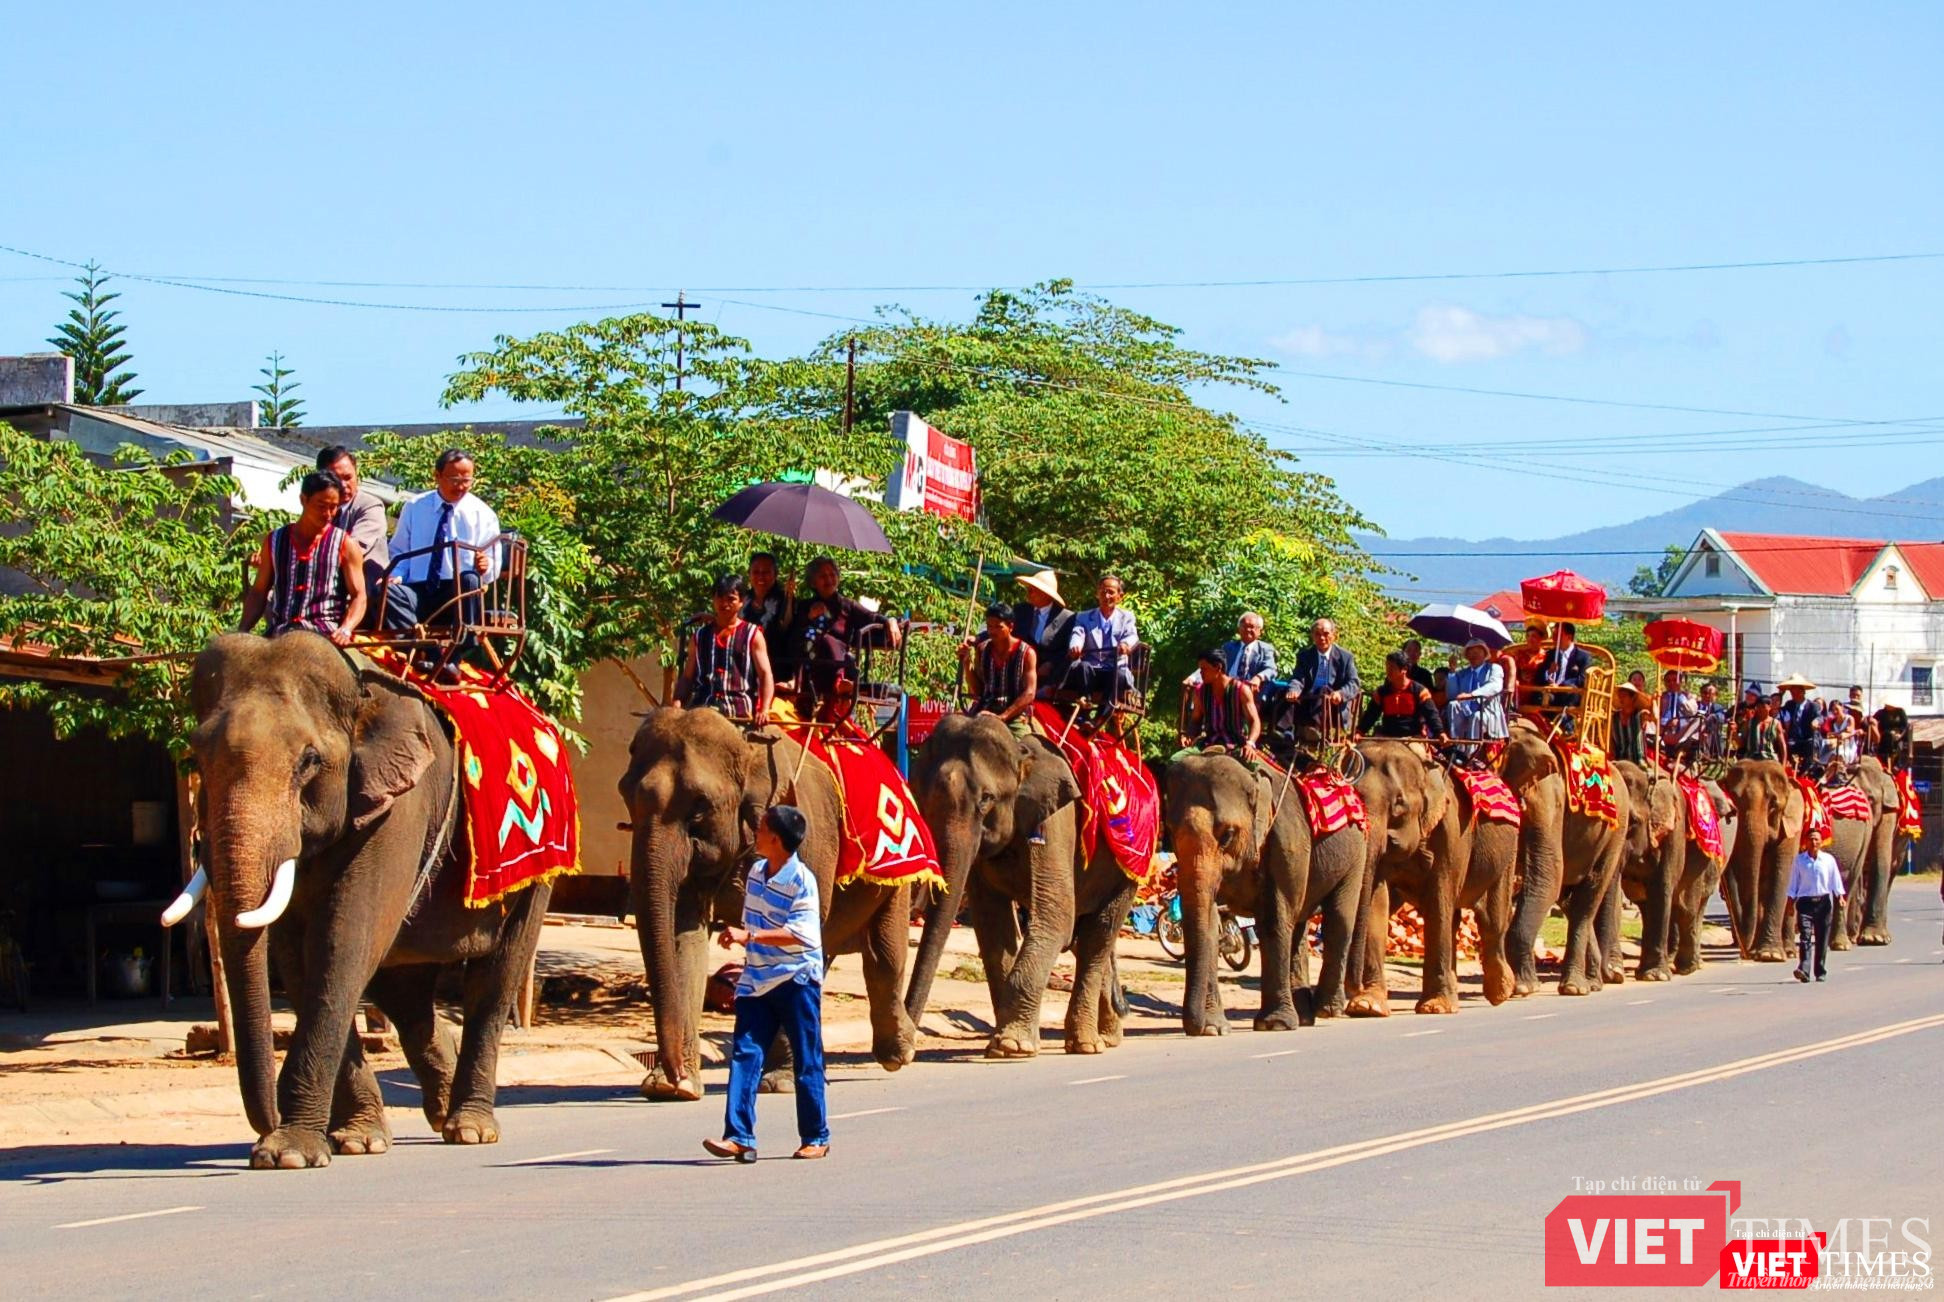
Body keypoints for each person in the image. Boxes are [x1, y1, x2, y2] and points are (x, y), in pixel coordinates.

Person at [704, 805, 829, 1163]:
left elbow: (799, 935)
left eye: (760, 828)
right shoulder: (757, 872)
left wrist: (748, 937)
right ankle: (739, 1136)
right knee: (745, 1053)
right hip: (757, 982)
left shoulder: (802, 880)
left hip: (796, 979)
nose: (754, 833)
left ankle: (816, 1136)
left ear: (775, 839)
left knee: (807, 1060)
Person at [387, 449, 502, 647]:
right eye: (455, 479)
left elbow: (493, 562)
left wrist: (486, 566)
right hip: (419, 589)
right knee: (385, 591)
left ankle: (455, 655)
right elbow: (399, 551)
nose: (461, 486)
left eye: (467, 480)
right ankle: (420, 649)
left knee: (470, 579)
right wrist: (396, 575)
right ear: (437, 476)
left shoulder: (482, 513)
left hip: (457, 594)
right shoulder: (415, 507)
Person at [240, 471, 368, 646]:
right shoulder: (275, 540)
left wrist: (345, 629)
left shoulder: (346, 544)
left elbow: (359, 596)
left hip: (324, 637)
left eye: (334, 507)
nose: (328, 514)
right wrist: (242, 631)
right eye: (321, 506)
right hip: (280, 633)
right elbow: (259, 592)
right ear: (303, 500)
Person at [783, 557, 897, 705]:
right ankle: (795, 680)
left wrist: (891, 621)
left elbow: (872, 617)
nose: (829, 579)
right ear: (813, 582)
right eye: (823, 576)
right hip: (811, 664)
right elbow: (794, 631)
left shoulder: (847, 605)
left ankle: (839, 681)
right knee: (807, 635)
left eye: (832, 574)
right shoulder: (805, 605)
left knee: (826, 639)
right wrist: (809, 616)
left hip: (838, 663)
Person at [674, 575, 774, 722]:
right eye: (720, 597)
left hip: (737, 713)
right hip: (702, 711)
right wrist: (677, 702)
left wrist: (764, 710)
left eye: (731, 599)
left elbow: (765, 675)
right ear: (713, 600)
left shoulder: (753, 635)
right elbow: (688, 677)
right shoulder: (699, 636)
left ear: (742, 601)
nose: (724, 603)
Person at [316, 445, 391, 630]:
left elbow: (353, 549)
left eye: (348, 477)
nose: (343, 485)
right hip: (324, 584)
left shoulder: (370, 506)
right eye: (335, 479)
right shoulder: (318, 508)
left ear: (357, 474)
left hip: (364, 590)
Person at [1064, 574, 1138, 704]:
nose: (1106, 596)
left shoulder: (1127, 617)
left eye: (1111, 592)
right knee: (1082, 666)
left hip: (1114, 669)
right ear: (1097, 594)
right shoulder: (1083, 617)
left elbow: (1132, 635)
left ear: (1120, 597)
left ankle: (1101, 716)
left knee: (1119, 676)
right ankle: (1084, 701)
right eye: (1103, 592)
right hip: (1092, 670)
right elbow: (1078, 633)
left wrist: (1125, 644)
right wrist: (1075, 646)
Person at [964, 602, 1036, 733]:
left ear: (1010, 627)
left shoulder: (1027, 653)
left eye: (998, 627)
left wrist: (1003, 717)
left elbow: (1029, 693)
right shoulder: (982, 649)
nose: (992, 631)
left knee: (1021, 748)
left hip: (1014, 716)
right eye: (989, 626)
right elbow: (978, 690)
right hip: (985, 710)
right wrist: (966, 662)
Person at [1180, 648, 1262, 758]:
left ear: (1218, 667)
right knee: (1175, 760)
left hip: (1236, 745)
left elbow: (1254, 721)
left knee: (1253, 767)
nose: (1201, 673)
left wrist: (1250, 744)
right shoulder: (1200, 691)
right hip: (1208, 743)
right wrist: (1189, 736)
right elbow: (1196, 720)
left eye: (1204, 669)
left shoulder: (1241, 690)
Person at [1285, 618, 1360, 733]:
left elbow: (1354, 683)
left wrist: (1340, 693)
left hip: (1332, 705)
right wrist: (1294, 690)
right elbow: (1298, 678)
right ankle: (1284, 731)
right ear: (1312, 636)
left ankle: (1314, 731)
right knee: (1284, 691)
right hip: (1308, 700)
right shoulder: (1304, 656)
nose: (1322, 638)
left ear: (1334, 635)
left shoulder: (1345, 657)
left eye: (1326, 634)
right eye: (1317, 634)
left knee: (1323, 690)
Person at [1787, 840, 1845, 983]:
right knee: (1805, 937)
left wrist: (1840, 897)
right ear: (1806, 842)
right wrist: (1790, 903)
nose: (1814, 842)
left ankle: (1820, 971)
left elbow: (1835, 880)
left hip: (1823, 903)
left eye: (1816, 839)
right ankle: (1804, 969)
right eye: (1811, 839)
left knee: (1821, 938)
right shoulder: (1799, 860)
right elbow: (1794, 882)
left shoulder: (1828, 860)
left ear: (1821, 842)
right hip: (1805, 903)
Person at [1009, 569, 1075, 694]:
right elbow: (1002, 627)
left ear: (1045, 594)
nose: (1028, 593)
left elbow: (1068, 649)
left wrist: (1051, 663)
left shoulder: (1066, 617)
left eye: (1032, 590)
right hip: (1019, 668)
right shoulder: (1020, 610)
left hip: (1049, 674)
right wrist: (978, 638)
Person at [1360, 650, 1446, 740]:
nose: (1388, 671)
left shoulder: (1420, 691)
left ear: (1404, 669)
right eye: (1387, 667)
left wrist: (1440, 732)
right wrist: (1360, 731)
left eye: (1392, 667)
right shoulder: (1381, 692)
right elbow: (1371, 715)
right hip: (1386, 737)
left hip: (1412, 737)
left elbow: (1431, 714)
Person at [1445, 638, 1506, 749]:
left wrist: (1472, 695)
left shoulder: (1494, 668)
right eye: (1471, 652)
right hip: (1466, 709)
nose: (1474, 655)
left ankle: (1471, 753)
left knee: (1476, 716)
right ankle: (1456, 747)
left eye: (1478, 652)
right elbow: (1452, 695)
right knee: (1453, 705)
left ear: (1485, 654)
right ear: (1467, 656)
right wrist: (1452, 671)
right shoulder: (1462, 673)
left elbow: (1495, 686)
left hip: (1487, 710)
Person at [1537, 622, 1592, 725]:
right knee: (1539, 696)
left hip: (1569, 694)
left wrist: (1560, 686)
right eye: (1554, 635)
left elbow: (1582, 678)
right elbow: (1539, 676)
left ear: (1569, 636)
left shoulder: (1583, 656)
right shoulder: (1549, 655)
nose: (1554, 638)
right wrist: (1548, 672)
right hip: (1551, 693)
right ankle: (1543, 724)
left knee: (1571, 691)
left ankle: (1566, 726)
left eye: (1558, 635)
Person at [742, 551, 794, 646]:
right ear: (749, 573)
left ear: (775, 574)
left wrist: (789, 598)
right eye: (756, 572)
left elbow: (786, 627)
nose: (761, 576)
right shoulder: (742, 599)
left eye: (766, 572)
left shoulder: (784, 599)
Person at [1776, 674, 1821, 768]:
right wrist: (1780, 695)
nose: (1794, 694)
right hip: (1792, 739)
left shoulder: (1813, 706)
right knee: (1783, 743)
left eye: (1796, 692)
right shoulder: (1789, 704)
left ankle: (1809, 769)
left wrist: (1816, 721)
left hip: (1807, 738)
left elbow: (1820, 717)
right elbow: (1778, 711)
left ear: (1802, 692)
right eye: (1792, 692)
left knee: (1810, 744)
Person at [1738, 689, 1787, 764]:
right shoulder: (1749, 722)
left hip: (1770, 759)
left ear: (1769, 707)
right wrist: (1734, 732)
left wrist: (1783, 763)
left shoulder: (1776, 723)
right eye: (1758, 707)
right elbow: (1741, 742)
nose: (1760, 709)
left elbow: (1782, 745)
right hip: (1751, 759)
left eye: (1763, 707)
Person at [1658, 670, 1699, 758]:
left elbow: (1692, 712)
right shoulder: (1661, 697)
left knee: (1698, 719)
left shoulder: (1688, 696)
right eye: (1668, 681)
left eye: (1674, 680)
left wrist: (1680, 696)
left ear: (1680, 682)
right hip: (1664, 730)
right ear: (1665, 683)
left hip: (1681, 731)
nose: (1671, 683)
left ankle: (1683, 742)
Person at [1609, 682, 1646, 763]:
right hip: (1619, 760)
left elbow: (1656, 718)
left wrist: (1654, 701)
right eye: (1620, 696)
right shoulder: (1613, 717)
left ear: (1632, 698)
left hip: (1638, 762)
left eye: (1624, 696)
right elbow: (1611, 742)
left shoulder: (1640, 715)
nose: (1621, 698)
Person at [1873, 698, 1911, 769]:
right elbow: (1873, 719)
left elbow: (1905, 725)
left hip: (1898, 735)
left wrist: (1900, 734)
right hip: (1885, 735)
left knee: (1898, 745)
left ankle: (1897, 763)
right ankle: (1886, 762)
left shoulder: (1900, 712)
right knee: (1888, 738)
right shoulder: (1881, 712)